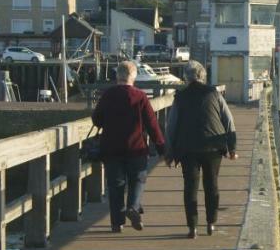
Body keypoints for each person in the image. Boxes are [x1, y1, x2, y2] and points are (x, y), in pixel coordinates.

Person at [91, 60, 165, 233]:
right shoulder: (140, 96)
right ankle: (133, 206)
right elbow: (152, 124)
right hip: (136, 148)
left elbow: (97, 119)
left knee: (115, 185)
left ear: (118, 76)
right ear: (133, 77)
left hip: (111, 148)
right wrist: (161, 146)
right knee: (138, 179)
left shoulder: (108, 95)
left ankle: (117, 223)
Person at [165, 60, 237, 238]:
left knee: (190, 186)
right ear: (203, 77)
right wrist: (232, 148)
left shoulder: (180, 97)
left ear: (186, 78)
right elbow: (228, 121)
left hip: (187, 147)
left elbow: (171, 126)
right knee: (211, 184)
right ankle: (211, 223)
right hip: (213, 145)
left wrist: (170, 154)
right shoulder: (213, 93)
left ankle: (193, 228)